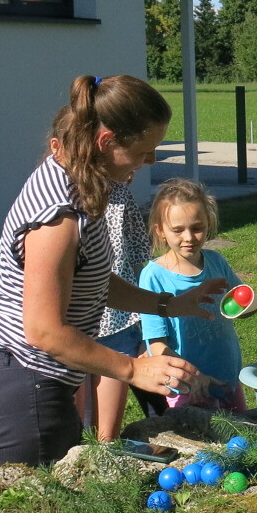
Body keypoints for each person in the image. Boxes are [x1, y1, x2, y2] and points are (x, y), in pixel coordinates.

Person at [0, 75, 226, 468]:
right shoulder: (58, 217)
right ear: (106, 142)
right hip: (18, 381)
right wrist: (132, 368)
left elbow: (91, 280)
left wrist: (169, 304)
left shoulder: (81, 184)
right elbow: (44, 331)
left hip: (34, 379)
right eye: (144, 150)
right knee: (42, 501)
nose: (151, 160)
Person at [50, 110, 154, 440]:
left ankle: (105, 453)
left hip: (116, 321)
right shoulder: (59, 207)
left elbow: (137, 255)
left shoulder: (116, 193)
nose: (148, 161)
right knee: (77, 430)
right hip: (75, 330)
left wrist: (155, 306)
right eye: (143, 152)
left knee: (106, 434)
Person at [139, 178, 257, 413]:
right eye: (178, 230)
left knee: (239, 432)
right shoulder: (153, 276)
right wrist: (193, 377)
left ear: (209, 224)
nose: (189, 237)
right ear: (160, 231)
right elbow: (156, 345)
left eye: (197, 228)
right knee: (199, 437)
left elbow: (239, 306)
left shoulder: (216, 262)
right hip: (188, 389)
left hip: (227, 379)